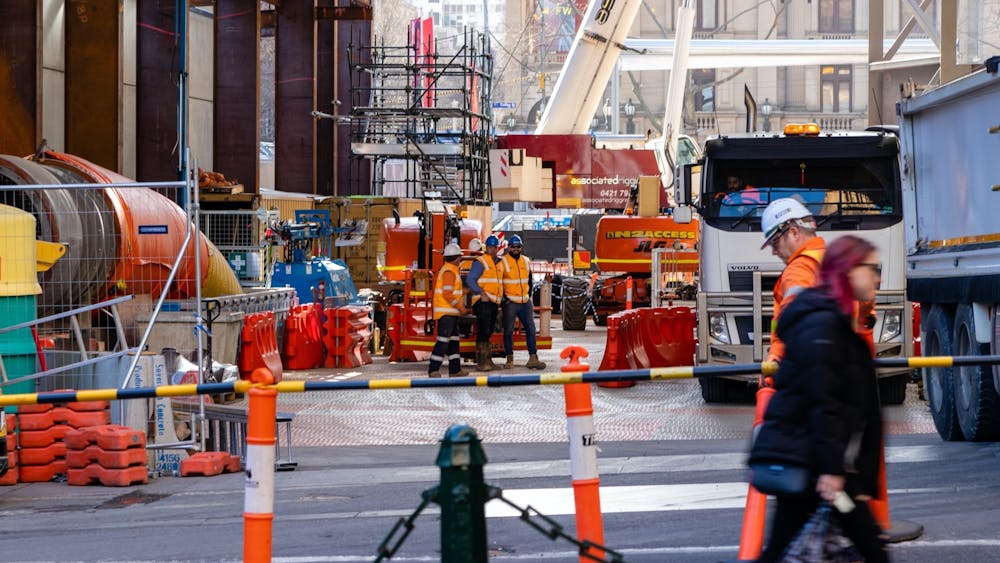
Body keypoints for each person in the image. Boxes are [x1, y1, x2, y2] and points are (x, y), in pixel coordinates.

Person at [750, 235, 888, 562]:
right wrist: (832, 470)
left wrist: (861, 475)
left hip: (824, 467)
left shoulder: (839, 324)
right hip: (817, 468)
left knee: (781, 548)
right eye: (871, 268)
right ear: (847, 271)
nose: (877, 277)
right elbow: (822, 402)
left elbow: (862, 407)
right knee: (869, 545)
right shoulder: (823, 327)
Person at [760, 198, 825, 364]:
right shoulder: (839, 261)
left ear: (794, 233)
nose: (774, 252)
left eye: (775, 241)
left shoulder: (799, 270)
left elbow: (792, 324)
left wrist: (775, 362)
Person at [499, 235, 546, 370]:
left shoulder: (526, 261)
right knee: (508, 331)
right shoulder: (503, 262)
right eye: (513, 247)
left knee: (531, 329)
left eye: (518, 247)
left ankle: (533, 358)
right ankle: (509, 359)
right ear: (509, 248)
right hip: (510, 302)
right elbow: (499, 282)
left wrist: (528, 296)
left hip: (525, 302)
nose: (515, 249)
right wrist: (504, 300)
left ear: (521, 248)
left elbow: (530, 281)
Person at [428, 243, 469, 378]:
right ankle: (433, 369)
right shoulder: (449, 272)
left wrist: (466, 291)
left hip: (450, 314)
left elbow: (453, 292)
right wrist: (461, 308)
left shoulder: (450, 270)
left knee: (453, 342)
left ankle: (455, 370)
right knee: (443, 341)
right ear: (456, 258)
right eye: (460, 258)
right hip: (447, 314)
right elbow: (448, 294)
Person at [466, 236, 503, 371]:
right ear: (486, 248)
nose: (492, 250)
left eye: (494, 247)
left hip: (493, 302)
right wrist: (481, 293)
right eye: (490, 247)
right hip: (482, 302)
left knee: (489, 331)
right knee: (483, 330)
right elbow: (471, 280)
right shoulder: (480, 262)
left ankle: (488, 360)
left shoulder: (498, 263)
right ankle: (482, 362)